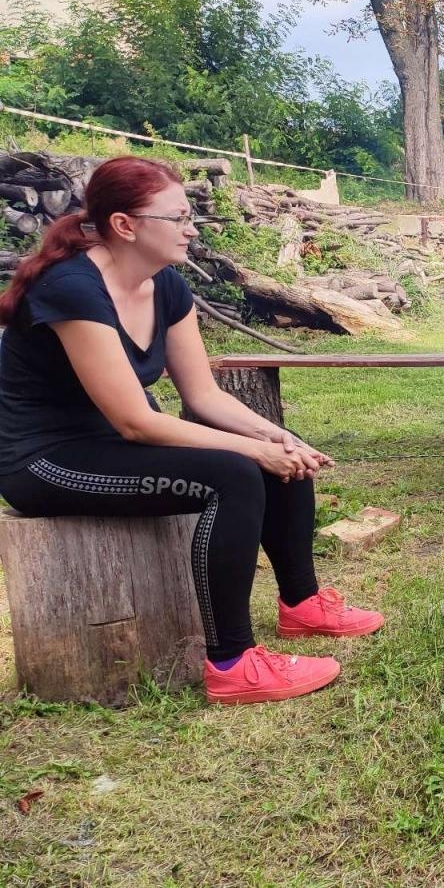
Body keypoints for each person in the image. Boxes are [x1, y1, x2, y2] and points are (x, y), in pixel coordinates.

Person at [0, 157, 383, 705]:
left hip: (110, 443)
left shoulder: (168, 287)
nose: (192, 228)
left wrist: (278, 439)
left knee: (276, 448)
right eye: (177, 218)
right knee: (233, 474)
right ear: (125, 225)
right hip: (44, 460)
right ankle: (232, 663)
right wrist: (253, 449)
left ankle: (302, 605)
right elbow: (137, 421)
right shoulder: (73, 289)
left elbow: (202, 396)